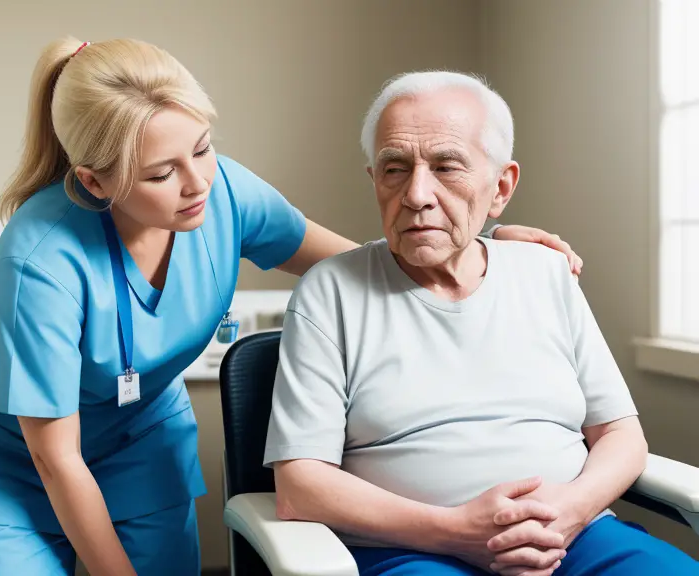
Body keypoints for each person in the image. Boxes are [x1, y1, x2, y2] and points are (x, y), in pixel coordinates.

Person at [0, 38, 578, 576]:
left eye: (203, 147)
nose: (198, 183)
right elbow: (55, 456)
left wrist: (481, 251)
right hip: (9, 459)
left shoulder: (225, 192)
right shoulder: (41, 256)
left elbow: (362, 266)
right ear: (95, 181)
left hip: (139, 442)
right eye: (160, 174)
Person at [263, 70, 699, 576]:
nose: (416, 194)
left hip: (575, 537)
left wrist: (570, 511)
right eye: (395, 169)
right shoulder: (328, 292)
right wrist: (456, 531)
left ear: (501, 187)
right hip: (411, 550)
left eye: (447, 167)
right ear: (374, 181)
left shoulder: (544, 272)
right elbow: (301, 486)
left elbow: (621, 436)